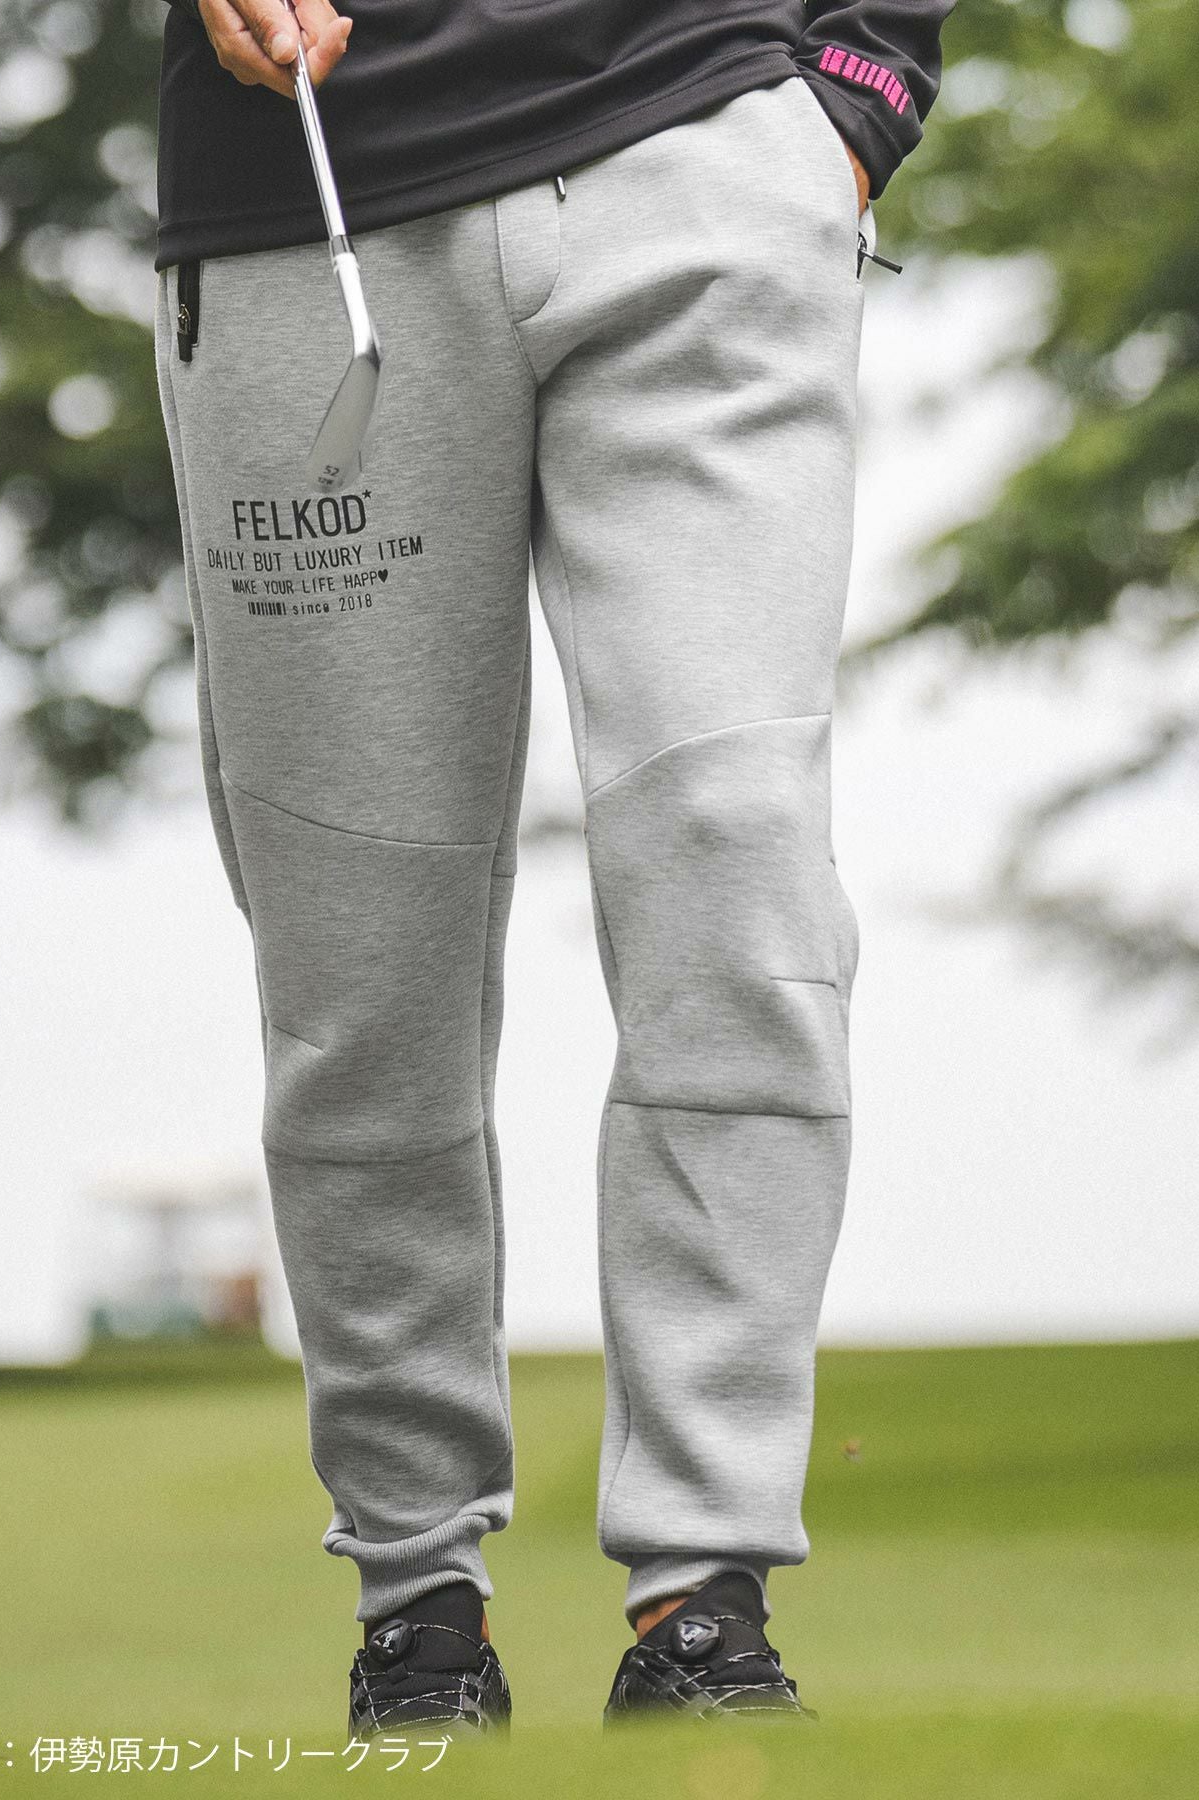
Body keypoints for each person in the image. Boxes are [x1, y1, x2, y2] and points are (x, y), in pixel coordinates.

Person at [153, 0, 954, 1736]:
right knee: (362, 952)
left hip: (706, 148)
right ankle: (419, 1618)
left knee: (735, 855)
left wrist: (866, 81)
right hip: (314, 192)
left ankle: (704, 1606)